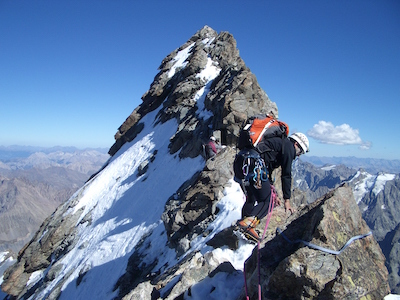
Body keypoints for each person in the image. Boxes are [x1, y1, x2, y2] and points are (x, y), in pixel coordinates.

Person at [234, 132, 310, 241]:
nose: (298, 155)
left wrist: (272, 190)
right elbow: (286, 174)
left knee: (251, 198)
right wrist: (286, 200)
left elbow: (267, 169)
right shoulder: (289, 147)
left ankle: (243, 226)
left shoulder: (279, 143)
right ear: (297, 144)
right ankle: (247, 225)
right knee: (268, 200)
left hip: (242, 162)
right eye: (300, 152)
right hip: (254, 165)